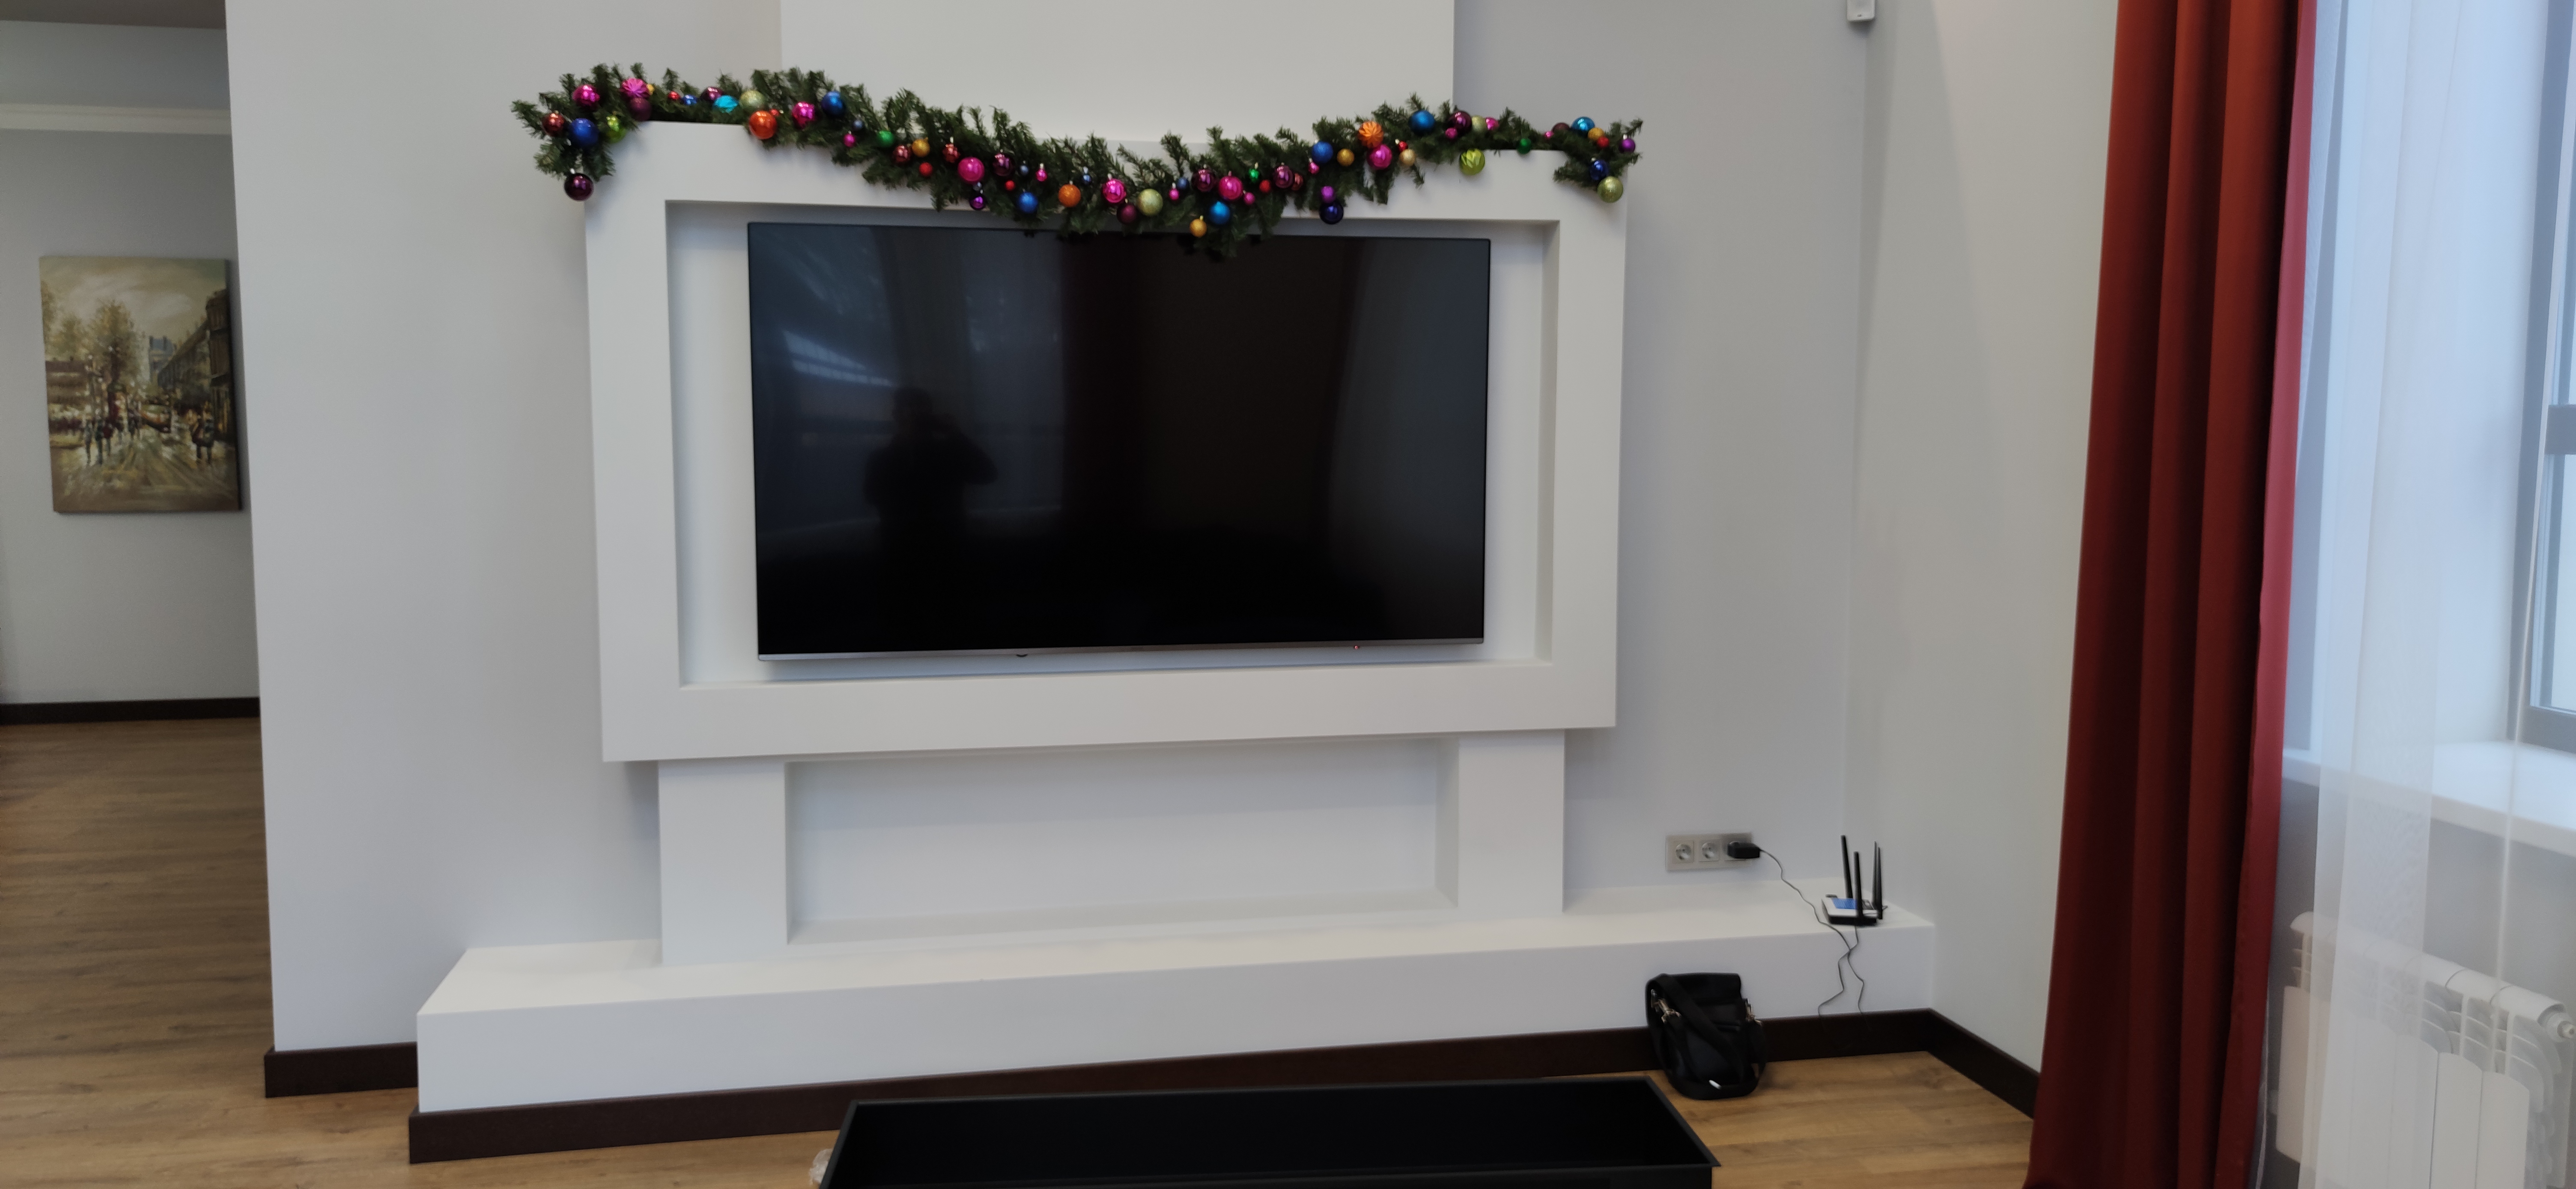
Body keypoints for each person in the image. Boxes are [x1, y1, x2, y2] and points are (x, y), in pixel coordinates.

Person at [863, 388, 997, 645]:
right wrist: (904, 445)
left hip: (947, 555)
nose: (914, 416)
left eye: (920, 410)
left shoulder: (948, 452)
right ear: (896, 415)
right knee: (904, 631)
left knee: (951, 628)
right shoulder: (882, 458)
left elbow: (988, 474)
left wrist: (956, 436)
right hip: (901, 558)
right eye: (908, 410)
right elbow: (873, 495)